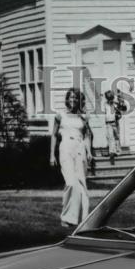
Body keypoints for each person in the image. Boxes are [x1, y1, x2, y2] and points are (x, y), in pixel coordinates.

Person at [50, 88, 94, 228]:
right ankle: (66, 217)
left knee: (81, 184)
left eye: (76, 98)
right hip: (66, 148)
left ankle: (83, 218)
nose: (73, 100)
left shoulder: (84, 116)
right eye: (71, 97)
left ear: (80, 100)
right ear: (67, 99)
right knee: (70, 182)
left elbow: (87, 136)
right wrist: (52, 155)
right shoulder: (60, 115)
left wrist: (89, 151)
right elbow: (54, 135)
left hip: (80, 148)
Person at [104, 89, 127, 164]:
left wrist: (120, 102)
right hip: (108, 122)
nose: (110, 99)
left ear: (113, 97)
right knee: (110, 137)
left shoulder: (115, 104)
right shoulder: (105, 104)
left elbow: (124, 108)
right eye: (108, 98)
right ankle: (112, 152)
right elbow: (105, 112)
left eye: (111, 98)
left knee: (116, 136)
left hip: (115, 121)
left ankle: (118, 151)